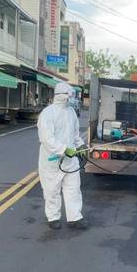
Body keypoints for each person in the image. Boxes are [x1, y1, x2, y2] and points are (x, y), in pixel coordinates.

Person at [37, 82, 87, 230]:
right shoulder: (48, 113)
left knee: (73, 188)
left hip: (70, 160)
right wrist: (64, 149)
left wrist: (81, 145)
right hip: (52, 161)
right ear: (61, 96)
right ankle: (53, 217)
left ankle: (75, 217)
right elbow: (47, 139)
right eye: (70, 95)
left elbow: (75, 134)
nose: (72, 98)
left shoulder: (71, 112)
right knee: (52, 189)